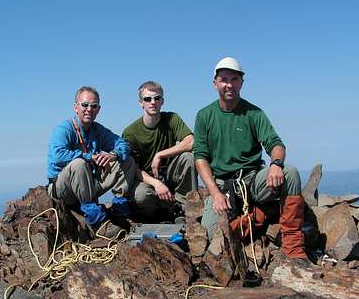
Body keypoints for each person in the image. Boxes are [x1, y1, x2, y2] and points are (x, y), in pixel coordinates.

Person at [193, 57, 307, 260]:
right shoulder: (204, 115)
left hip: (252, 179)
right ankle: (259, 215)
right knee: (213, 234)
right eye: (224, 79)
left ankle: (294, 249)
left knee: (290, 173)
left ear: (241, 83)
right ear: (215, 83)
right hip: (223, 184)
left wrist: (276, 165)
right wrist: (216, 194)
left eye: (234, 79)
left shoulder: (253, 113)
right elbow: (200, 158)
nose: (229, 84)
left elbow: (276, 144)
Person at [47, 86, 137, 236]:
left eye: (94, 106)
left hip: (88, 183)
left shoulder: (98, 130)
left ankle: (119, 211)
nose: (89, 109)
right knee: (79, 163)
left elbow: (123, 144)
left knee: (127, 160)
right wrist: (89, 156)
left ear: (98, 109)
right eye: (85, 105)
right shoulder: (64, 129)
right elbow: (57, 156)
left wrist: (113, 154)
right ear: (76, 107)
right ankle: (97, 222)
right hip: (63, 189)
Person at [123, 81, 197, 221]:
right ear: (141, 103)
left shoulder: (172, 119)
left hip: (169, 174)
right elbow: (134, 168)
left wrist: (160, 154)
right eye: (147, 99)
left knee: (188, 158)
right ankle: (152, 215)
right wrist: (156, 184)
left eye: (157, 98)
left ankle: (183, 209)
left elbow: (191, 141)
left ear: (162, 101)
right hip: (147, 179)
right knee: (141, 195)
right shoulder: (131, 132)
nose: (153, 102)